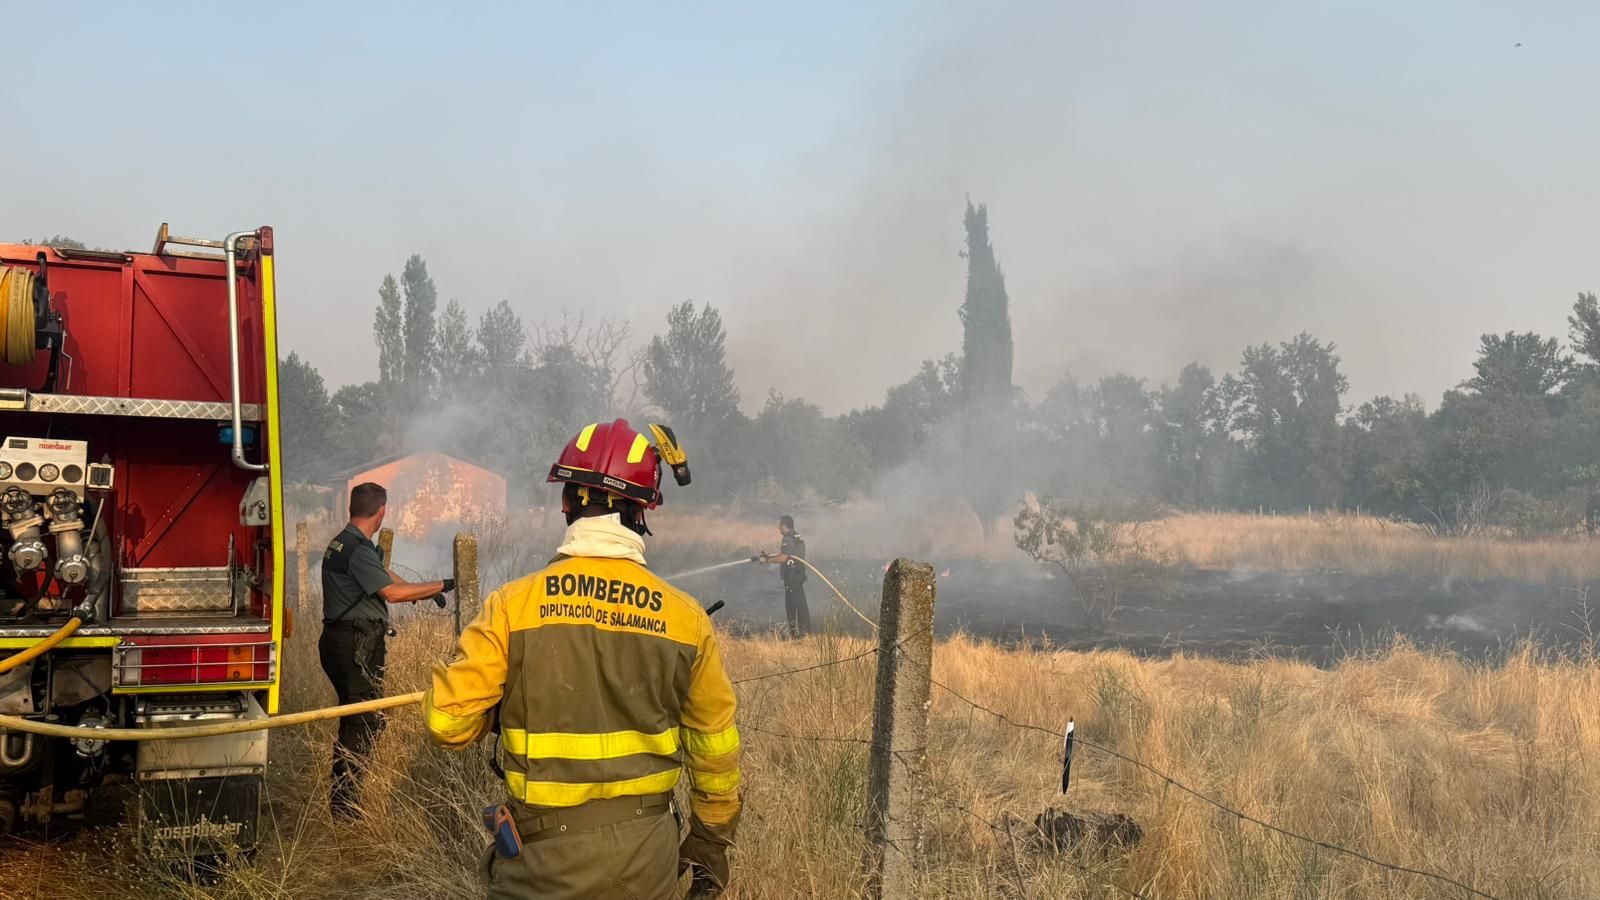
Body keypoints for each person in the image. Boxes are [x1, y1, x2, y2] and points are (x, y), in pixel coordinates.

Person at [423, 419, 740, 900]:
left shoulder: (513, 606)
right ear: (642, 510)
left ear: (567, 502)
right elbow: (715, 750)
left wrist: (501, 704)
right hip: (648, 859)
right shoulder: (686, 619)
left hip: (543, 863)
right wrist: (710, 843)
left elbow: (447, 724)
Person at [320, 481, 453, 818]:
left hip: (342, 641)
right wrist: (448, 584)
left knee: (358, 719)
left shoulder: (344, 543)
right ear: (381, 512)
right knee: (366, 720)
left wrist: (429, 590)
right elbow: (392, 593)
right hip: (356, 644)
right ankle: (345, 807)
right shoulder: (356, 548)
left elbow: (389, 579)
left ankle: (344, 801)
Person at [761, 515, 809, 637]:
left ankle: (797, 635)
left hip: (792, 576)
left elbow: (783, 558)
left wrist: (767, 561)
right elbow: (786, 554)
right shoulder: (796, 535)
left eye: (780, 526)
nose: (779, 529)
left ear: (785, 526)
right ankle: (803, 633)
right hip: (798, 574)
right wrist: (769, 556)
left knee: (792, 606)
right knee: (800, 604)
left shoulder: (788, 538)